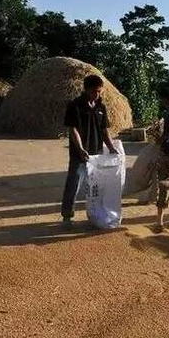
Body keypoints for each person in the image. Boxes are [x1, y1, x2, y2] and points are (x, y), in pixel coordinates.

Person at [61, 74, 117, 228]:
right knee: (73, 184)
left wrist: (111, 147)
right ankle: (67, 216)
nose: (97, 94)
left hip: (96, 155)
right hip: (79, 154)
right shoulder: (75, 105)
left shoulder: (101, 106)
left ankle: (96, 214)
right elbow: (73, 130)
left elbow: (104, 130)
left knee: (96, 187)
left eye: (99, 91)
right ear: (86, 89)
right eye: (94, 91)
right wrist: (80, 149)